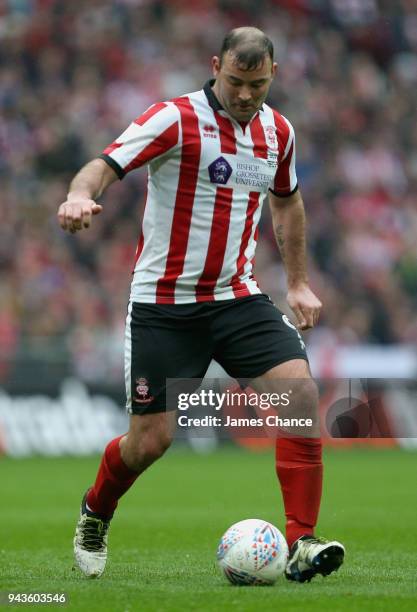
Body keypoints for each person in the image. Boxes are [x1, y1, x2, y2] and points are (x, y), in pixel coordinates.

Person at [58, 27, 344, 582]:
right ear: (216, 66)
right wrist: (77, 194)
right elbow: (105, 164)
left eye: (256, 84)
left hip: (237, 297)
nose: (244, 94)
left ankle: (303, 541)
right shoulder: (174, 118)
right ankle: (96, 510)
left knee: (300, 397)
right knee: (150, 442)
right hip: (165, 306)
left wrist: (300, 281)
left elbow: (287, 203)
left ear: (274, 76)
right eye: (235, 81)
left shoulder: (277, 131)